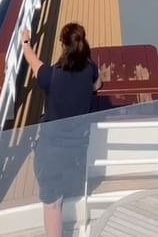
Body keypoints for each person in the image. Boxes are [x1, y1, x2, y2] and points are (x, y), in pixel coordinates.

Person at [19, 23, 101, 237]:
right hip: (78, 150)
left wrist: (25, 42)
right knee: (68, 188)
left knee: (52, 204)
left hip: (51, 152)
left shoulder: (50, 76)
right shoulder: (90, 69)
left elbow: (32, 60)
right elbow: (97, 85)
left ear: (63, 45)